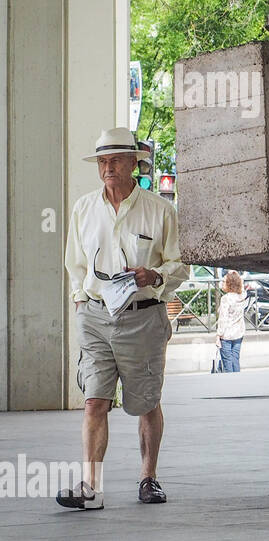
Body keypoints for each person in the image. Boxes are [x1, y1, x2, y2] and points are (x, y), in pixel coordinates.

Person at [60, 128, 188, 510]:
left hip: (143, 317)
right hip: (96, 317)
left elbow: (181, 264)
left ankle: (149, 478)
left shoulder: (161, 211)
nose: (107, 168)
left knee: (146, 401)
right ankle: (90, 487)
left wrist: (156, 276)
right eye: (102, 161)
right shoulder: (84, 208)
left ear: (135, 164)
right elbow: (75, 263)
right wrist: (80, 301)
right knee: (94, 401)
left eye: (115, 160)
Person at [216, 270, 246, 372]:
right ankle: (238, 383)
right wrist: (236, 275)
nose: (222, 283)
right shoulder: (242, 297)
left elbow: (223, 319)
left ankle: (230, 384)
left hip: (227, 335)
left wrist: (218, 335)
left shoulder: (226, 299)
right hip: (238, 333)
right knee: (235, 360)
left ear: (230, 284)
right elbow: (242, 285)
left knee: (227, 362)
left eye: (224, 281)